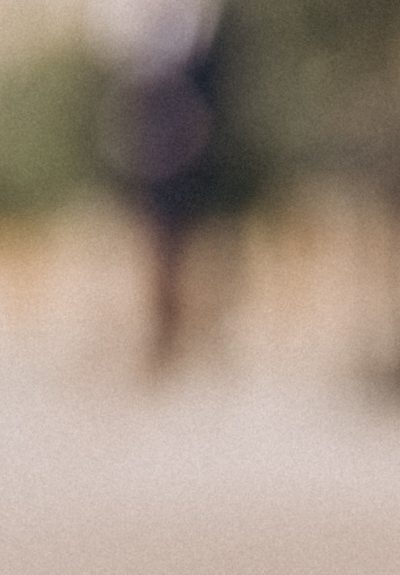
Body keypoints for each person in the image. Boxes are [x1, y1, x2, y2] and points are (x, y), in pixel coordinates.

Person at [96, 0, 234, 374]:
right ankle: (157, 335)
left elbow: (196, 40)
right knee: (150, 230)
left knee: (181, 233)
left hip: (180, 103)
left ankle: (180, 335)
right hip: (145, 105)